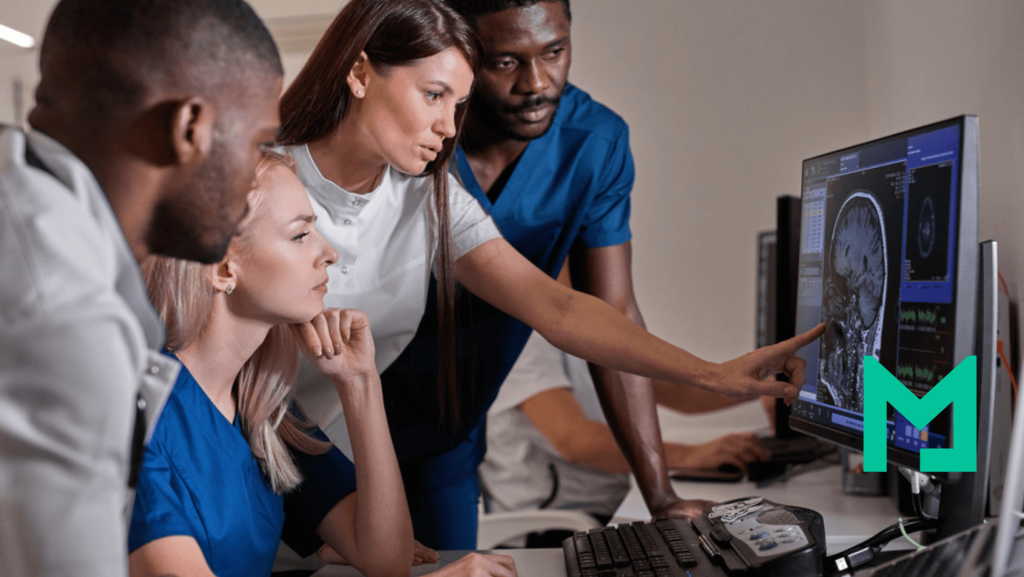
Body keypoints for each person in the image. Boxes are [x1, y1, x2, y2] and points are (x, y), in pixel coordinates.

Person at [279, 0, 823, 549]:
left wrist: (713, 372)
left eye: (458, 103)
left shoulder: (431, 192)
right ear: (359, 72)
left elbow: (558, 307)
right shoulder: (265, 184)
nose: (448, 129)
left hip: (368, 444)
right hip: (268, 440)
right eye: (434, 95)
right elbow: (234, 386)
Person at [129, 153, 517, 577]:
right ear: (223, 267)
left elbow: (385, 558)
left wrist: (359, 381)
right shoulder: (138, 415)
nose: (328, 253)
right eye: (300, 235)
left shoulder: (260, 408)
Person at [0, 0, 282, 574]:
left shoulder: (30, 211)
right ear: (189, 129)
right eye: (257, 143)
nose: (254, 182)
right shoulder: (64, 314)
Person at [480, 330, 769, 547]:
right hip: (551, 526)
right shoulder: (526, 339)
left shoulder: (588, 329)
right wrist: (690, 456)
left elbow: (679, 393)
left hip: (604, 511)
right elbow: (575, 440)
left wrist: (769, 384)